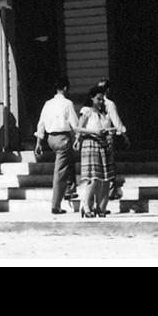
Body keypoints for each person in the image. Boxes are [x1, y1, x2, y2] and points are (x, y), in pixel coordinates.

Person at [35, 77, 80, 214]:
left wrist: (39, 142)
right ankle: (56, 205)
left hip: (51, 139)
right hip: (62, 138)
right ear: (65, 88)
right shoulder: (67, 103)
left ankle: (70, 187)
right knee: (60, 172)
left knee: (67, 164)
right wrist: (78, 137)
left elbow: (41, 123)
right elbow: (74, 123)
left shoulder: (48, 103)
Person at [77, 87, 117, 218]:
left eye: (102, 99)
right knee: (93, 178)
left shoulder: (103, 113)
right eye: (98, 99)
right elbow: (79, 128)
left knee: (104, 178)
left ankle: (101, 207)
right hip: (91, 143)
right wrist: (94, 132)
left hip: (103, 144)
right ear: (92, 98)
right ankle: (86, 205)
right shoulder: (87, 111)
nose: (100, 101)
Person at [94, 79, 128, 200]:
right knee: (109, 164)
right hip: (107, 136)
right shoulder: (109, 104)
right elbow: (116, 121)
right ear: (108, 90)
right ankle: (110, 191)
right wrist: (124, 135)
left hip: (97, 136)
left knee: (101, 165)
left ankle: (103, 193)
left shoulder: (94, 103)